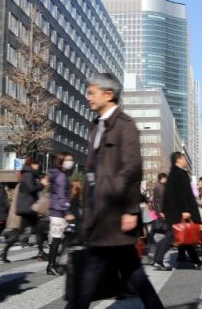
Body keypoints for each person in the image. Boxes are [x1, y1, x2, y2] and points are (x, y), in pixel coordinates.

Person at [66, 73, 163, 309]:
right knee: (133, 271)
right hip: (100, 211)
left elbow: (132, 169)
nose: (88, 97)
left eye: (92, 92)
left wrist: (130, 209)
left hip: (114, 212)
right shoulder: (96, 125)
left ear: (108, 94)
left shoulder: (125, 126)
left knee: (90, 276)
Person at [153, 152, 202, 271]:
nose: (186, 160)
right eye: (184, 158)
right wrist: (185, 210)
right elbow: (183, 194)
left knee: (185, 234)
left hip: (174, 211)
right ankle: (158, 259)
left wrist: (165, 210)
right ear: (179, 160)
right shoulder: (180, 173)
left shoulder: (174, 174)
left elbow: (170, 194)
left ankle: (195, 260)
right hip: (178, 212)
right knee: (172, 235)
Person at [0, 158, 48, 263]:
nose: (38, 167)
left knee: (36, 230)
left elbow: (36, 180)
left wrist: (41, 178)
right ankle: (4, 251)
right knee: (20, 232)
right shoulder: (28, 174)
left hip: (28, 207)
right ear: (33, 164)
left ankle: (40, 252)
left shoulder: (29, 173)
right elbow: (31, 189)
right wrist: (42, 184)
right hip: (28, 208)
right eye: (37, 164)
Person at [46, 152, 75, 276]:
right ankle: (52, 265)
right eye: (68, 160)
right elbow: (61, 196)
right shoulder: (62, 176)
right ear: (61, 161)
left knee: (59, 238)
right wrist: (67, 211)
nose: (71, 162)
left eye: (71, 160)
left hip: (57, 210)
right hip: (59, 211)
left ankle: (54, 264)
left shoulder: (58, 174)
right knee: (58, 239)